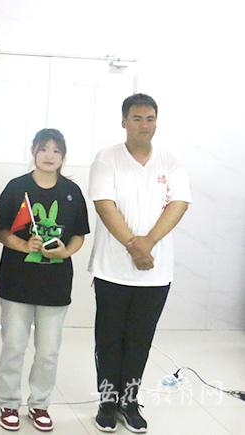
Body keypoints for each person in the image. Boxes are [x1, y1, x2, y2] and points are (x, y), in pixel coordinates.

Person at [88, 94, 191, 433]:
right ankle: (107, 401)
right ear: (124, 122)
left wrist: (148, 244)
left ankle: (129, 401)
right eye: (137, 118)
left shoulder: (170, 159)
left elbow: (179, 203)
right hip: (111, 269)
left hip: (155, 273)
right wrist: (135, 247)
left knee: (139, 341)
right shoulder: (107, 157)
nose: (144, 125)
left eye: (150, 118)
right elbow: (104, 205)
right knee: (109, 340)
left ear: (156, 122)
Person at [0, 129, 89, 432]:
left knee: (48, 351)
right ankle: (9, 402)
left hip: (55, 285)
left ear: (63, 156)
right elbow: (0, 231)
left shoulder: (72, 192)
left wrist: (65, 252)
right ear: (33, 151)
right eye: (44, 149)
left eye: (56, 150)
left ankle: (39, 404)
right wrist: (24, 246)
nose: (50, 155)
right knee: (13, 347)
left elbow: (79, 235)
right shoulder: (16, 188)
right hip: (17, 282)